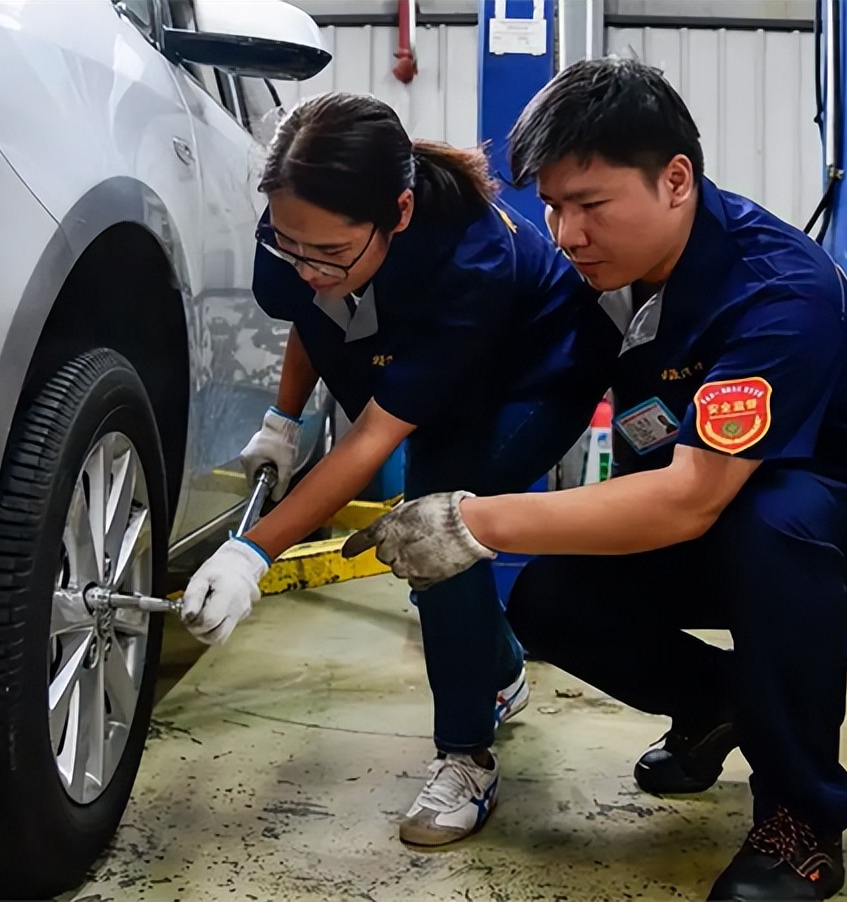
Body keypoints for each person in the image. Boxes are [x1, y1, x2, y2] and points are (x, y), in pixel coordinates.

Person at [343, 59, 847, 900]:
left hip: (841, 541)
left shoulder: (780, 292)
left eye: (590, 206)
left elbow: (689, 497)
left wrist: (473, 520)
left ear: (676, 180)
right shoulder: (597, 284)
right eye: (554, 208)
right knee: (547, 601)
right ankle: (722, 703)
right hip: (709, 531)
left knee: (774, 516)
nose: (566, 234)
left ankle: (801, 827)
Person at [179, 92, 619, 846]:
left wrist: (253, 551)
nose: (309, 264)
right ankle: (501, 673)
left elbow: (372, 440)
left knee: (436, 527)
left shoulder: (473, 262)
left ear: (402, 212)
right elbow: (311, 316)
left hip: (533, 373)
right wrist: (283, 422)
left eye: (332, 253)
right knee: (436, 530)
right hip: (430, 364)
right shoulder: (298, 228)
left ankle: (466, 756)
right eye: (291, 245)